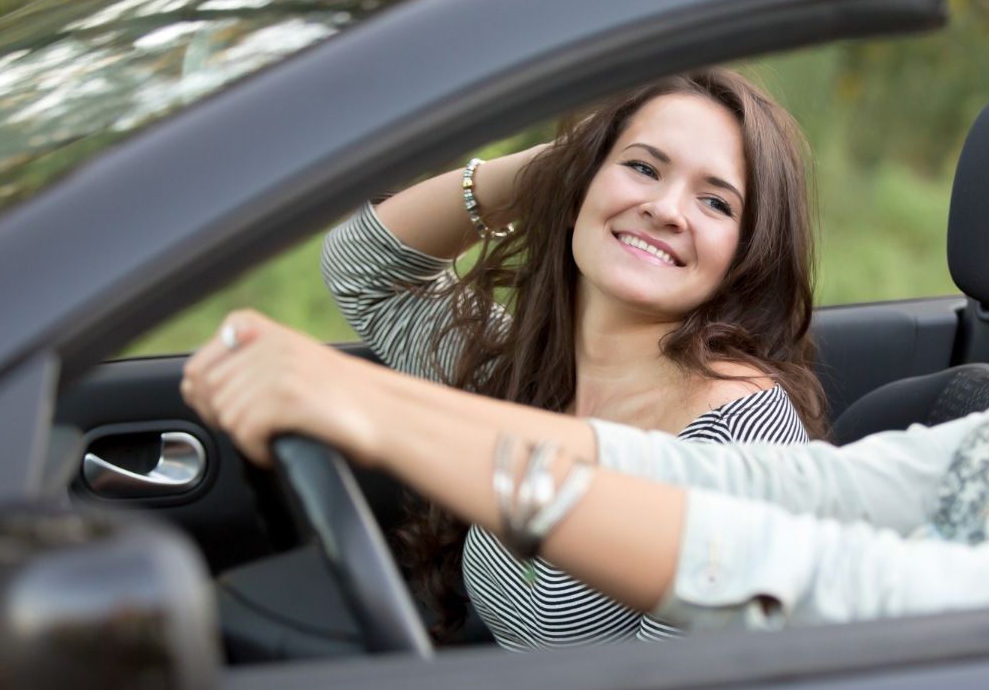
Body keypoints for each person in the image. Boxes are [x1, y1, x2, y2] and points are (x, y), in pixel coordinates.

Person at [182, 54, 989, 633]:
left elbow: (842, 585)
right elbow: (788, 489)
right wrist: (371, 402)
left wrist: (393, 418)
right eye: (640, 168)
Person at [314, 68, 825, 647]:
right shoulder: (518, 375)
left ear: (747, 254)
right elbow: (363, 272)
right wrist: (548, 170)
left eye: (715, 202)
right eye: (642, 167)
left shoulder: (738, 440)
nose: (666, 209)